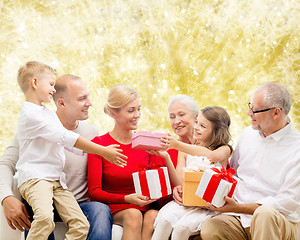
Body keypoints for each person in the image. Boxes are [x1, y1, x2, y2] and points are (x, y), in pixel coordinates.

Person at [4, 61, 127, 240]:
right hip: (38, 185)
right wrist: (6, 197)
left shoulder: (58, 119)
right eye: (82, 98)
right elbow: (64, 137)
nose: (90, 103)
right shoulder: (32, 118)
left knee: (88, 219)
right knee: (43, 217)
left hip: (62, 190)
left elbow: (68, 145)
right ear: (61, 103)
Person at [200, 82, 300, 240]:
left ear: (276, 113)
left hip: (279, 220)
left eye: (255, 110)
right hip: (240, 216)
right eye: (250, 106)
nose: (249, 113)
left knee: (264, 213)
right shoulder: (248, 134)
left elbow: (286, 203)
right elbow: (232, 173)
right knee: (212, 227)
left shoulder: (297, 147)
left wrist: (240, 207)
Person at [88, 84, 165, 240]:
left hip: (145, 206)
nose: (137, 115)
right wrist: (126, 199)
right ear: (113, 113)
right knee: (133, 214)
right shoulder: (99, 145)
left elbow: (157, 181)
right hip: (118, 207)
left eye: (139, 109)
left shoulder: (146, 143)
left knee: (154, 216)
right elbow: (94, 192)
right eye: (131, 111)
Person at [152, 106, 233, 240]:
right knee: (164, 221)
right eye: (196, 122)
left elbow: (210, 156)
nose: (196, 127)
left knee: (181, 229)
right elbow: (179, 181)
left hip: (207, 207)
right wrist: (166, 157)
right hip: (187, 203)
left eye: (202, 125)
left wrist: (177, 145)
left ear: (216, 131)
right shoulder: (185, 149)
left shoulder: (223, 150)